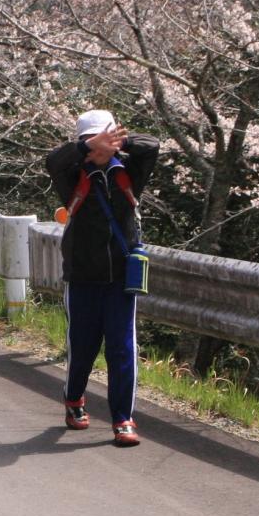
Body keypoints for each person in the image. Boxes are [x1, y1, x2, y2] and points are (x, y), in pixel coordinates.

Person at [47, 110, 158, 447]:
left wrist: (120, 142)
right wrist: (85, 149)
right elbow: (52, 161)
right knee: (82, 346)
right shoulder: (71, 174)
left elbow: (152, 146)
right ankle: (74, 399)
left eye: (105, 138)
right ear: (82, 142)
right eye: (92, 140)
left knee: (122, 349)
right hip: (81, 275)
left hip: (121, 277)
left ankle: (123, 418)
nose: (100, 146)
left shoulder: (128, 172)